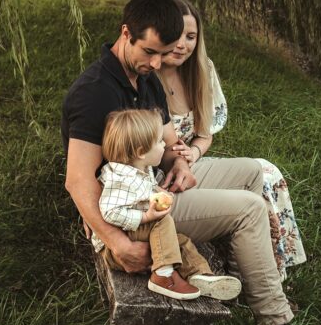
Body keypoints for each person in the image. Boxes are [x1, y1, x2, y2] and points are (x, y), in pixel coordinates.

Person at [62, 0, 321, 325]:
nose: (157, 62)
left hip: (156, 180)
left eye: (165, 53)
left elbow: (172, 143)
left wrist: (180, 164)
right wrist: (117, 242)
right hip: (133, 207)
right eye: (151, 52)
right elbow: (77, 181)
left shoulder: (146, 79)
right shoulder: (94, 92)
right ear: (126, 33)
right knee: (249, 210)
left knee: (252, 172)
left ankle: (248, 273)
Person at [157, 0, 307, 282]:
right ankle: (253, 269)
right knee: (249, 191)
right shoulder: (148, 74)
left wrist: (194, 154)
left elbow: (205, 133)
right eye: (176, 36)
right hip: (162, 172)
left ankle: (273, 263)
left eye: (190, 37)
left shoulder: (201, 70)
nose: (182, 45)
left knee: (266, 171)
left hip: (191, 162)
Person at [96, 108, 242, 301]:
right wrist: (145, 217)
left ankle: (200, 276)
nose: (164, 144)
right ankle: (162, 277)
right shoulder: (120, 178)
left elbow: (144, 190)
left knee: (180, 240)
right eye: (158, 142)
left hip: (137, 232)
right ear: (141, 152)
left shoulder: (141, 168)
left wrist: (158, 193)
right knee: (163, 223)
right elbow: (109, 212)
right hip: (121, 243)